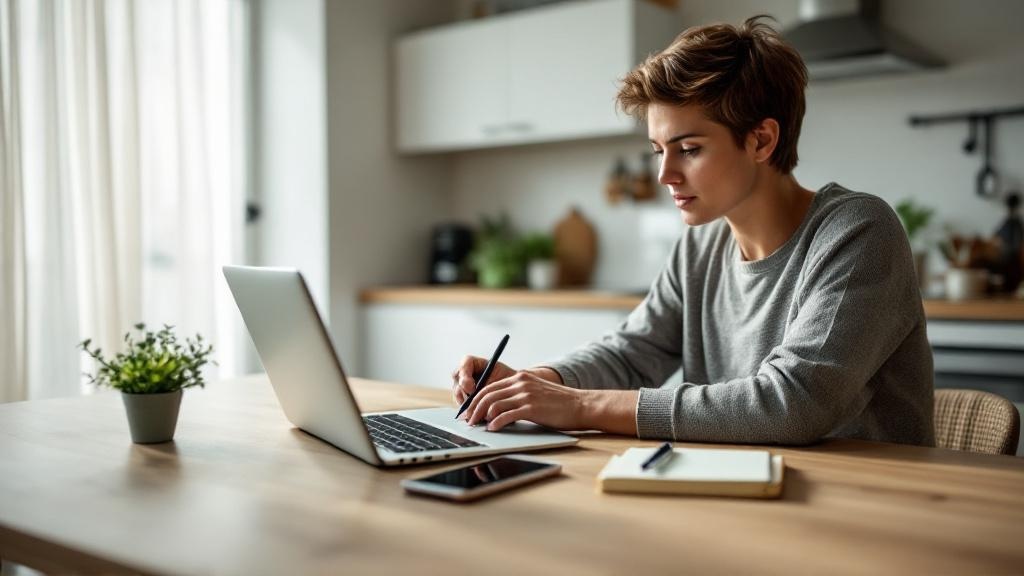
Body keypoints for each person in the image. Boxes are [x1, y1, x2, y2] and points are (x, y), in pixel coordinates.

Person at [451, 16, 934, 446]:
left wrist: (577, 406)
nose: (665, 175)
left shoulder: (858, 232)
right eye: (659, 150)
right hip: (736, 495)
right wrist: (537, 382)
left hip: (865, 509)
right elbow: (634, 352)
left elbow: (791, 404)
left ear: (761, 140)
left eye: (689, 148)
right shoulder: (701, 244)